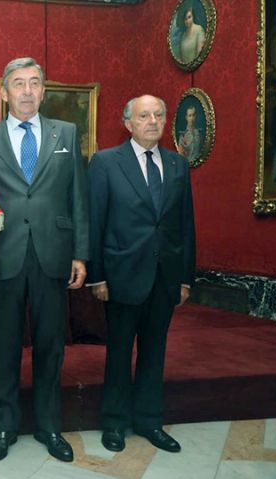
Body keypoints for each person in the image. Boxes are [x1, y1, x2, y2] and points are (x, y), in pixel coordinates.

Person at [0, 57, 89, 463]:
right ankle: (3, 427)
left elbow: (78, 198)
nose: (27, 91)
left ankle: (50, 426)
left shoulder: (67, 133)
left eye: (35, 83)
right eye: (18, 83)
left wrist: (80, 254)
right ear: (3, 91)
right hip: (4, 255)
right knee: (4, 346)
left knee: (51, 346)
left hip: (53, 255)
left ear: (43, 90)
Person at [87, 95, 196, 454]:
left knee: (155, 352)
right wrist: (97, 276)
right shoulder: (105, 163)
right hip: (120, 276)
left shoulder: (178, 165)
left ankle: (149, 421)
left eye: (159, 115)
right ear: (128, 123)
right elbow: (96, 220)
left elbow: (185, 225)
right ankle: (115, 422)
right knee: (119, 353)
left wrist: (185, 278)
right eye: (144, 115)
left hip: (164, 277)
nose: (153, 120)